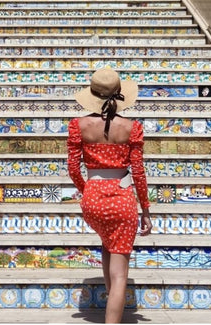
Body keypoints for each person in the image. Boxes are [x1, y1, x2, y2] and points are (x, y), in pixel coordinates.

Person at [67, 66, 152, 323]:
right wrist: (146, 209)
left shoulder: (78, 125)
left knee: (108, 244)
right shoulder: (131, 127)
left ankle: (110, 309)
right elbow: (137, 172)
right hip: (121, 198)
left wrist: (88, 191)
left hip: (92, 199)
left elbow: (73, 168)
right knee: (120, 274)